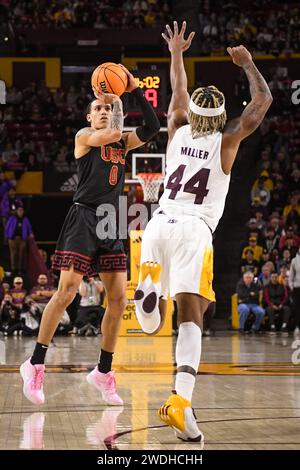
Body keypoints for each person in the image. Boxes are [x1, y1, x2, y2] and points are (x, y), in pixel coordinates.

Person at [134, 21, 272, 441]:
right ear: (221, 117)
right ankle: (180, 398)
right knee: (193, 319)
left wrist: (177, 52)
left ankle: (186, 419)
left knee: (167, 322)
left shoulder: (176, 127)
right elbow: (262, 100)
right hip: (194, 231)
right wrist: (248, 63)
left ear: (194, 113)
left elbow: (178, 87)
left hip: (158, 222)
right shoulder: (227, 139)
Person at [20, 64, 160, 406]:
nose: (102, 112)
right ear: (89, 115)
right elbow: (109, 135)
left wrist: (135, 91)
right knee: (66, 291)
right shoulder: (84, 137)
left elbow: (153, 127)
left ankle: (103, 371)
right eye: (97, 108)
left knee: (117, 300)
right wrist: (117, 98)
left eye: (106, 109)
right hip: (83, 217)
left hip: (111, 221)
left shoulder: (123, 143)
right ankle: (35, 363)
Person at [289, 247, 300, 334]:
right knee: (297, 308)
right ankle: (297, 326)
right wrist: (291, 286)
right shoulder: (294, 260)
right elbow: (291, 275)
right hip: (297, 287)